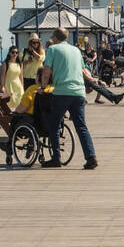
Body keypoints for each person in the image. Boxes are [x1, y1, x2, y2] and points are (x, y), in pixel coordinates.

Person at [40, 28, 99, 170]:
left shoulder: (53, 49)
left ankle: (56, 157)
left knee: (54, 125)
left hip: (62, 92)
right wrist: (92, 80)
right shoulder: (76, 51)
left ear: (54, 38)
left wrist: (43, 87)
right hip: (78, 92)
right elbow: (82, 70)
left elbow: (46, 71)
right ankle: (91, 157)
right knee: (81, 126)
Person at [0, 46, 25, 110]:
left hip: (18, 86)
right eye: (13, 52)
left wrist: (22, 86)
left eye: (16, 52)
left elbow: (21, 76)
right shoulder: (5, 64)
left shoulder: (20, 64)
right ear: (9, 53)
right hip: (9, 85)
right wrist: (2, 86)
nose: (15, 54)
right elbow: (2, 76)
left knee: (19, 102)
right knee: (10, 104)